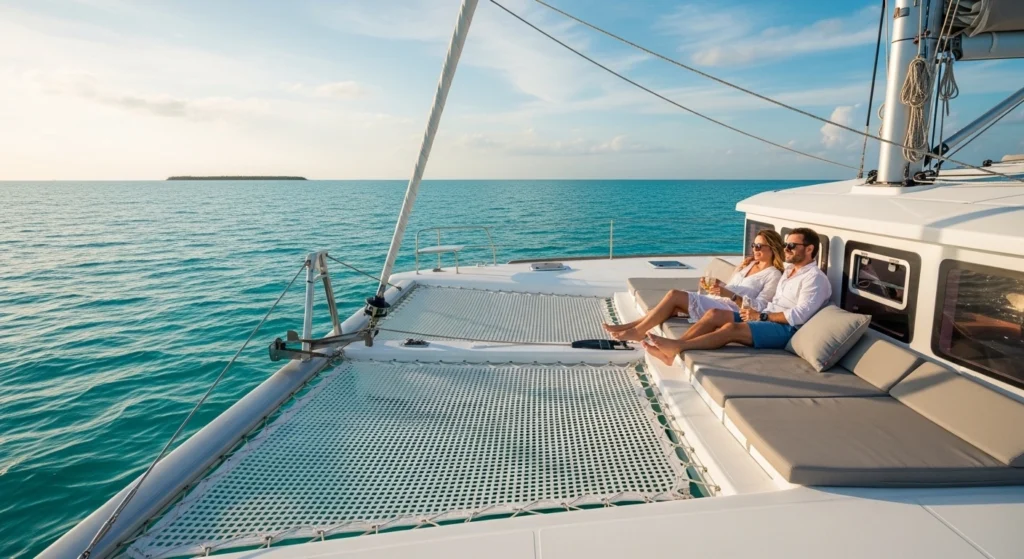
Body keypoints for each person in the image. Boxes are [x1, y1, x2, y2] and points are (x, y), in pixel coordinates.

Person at [643, 227, 832, 366]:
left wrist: (761, 316)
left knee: (731, 328)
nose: (786, 249)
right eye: (785, 245)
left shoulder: (815, 279)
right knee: (714, 314)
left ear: (809, 249)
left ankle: (675, 348)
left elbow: (800, 315)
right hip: (766, 316)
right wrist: (757, 312)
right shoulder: (790, 270)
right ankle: (674, 348)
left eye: (792, 245)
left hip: (785, 329)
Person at [604, 230, 785, 342]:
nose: (755, 249)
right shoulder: (748, 264)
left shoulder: (774, 275)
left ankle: (637, 331)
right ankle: (630, 327)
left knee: (675, 295)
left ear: (773, 249)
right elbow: (733, 287)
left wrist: (729, 294)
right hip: (718, 299)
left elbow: (760, 307)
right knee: (672, 305)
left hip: (730, 309)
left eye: (760, 246)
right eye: (754, 245)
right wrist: (719, 286)